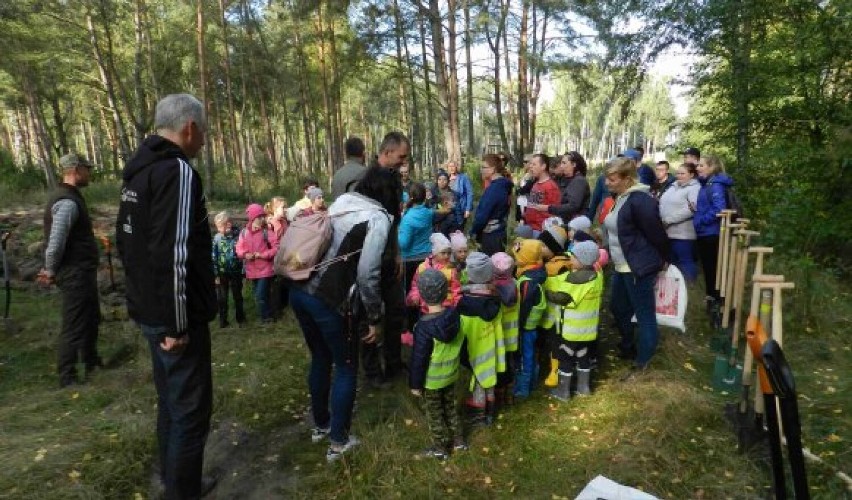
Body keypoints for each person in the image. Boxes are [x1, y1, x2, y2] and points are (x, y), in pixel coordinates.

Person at [116, 93, 218, 499]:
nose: (205, 141)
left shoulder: (138, 173)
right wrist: (176, 324)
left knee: (171, 404)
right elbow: (173, 252)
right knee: (191, 413)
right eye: (204, 132)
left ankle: (176, 480)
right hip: (176, 318)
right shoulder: (176, 171)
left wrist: (146, 308)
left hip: (149, 311)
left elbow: (130, 249)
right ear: (189, 128)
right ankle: (183, 491)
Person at [290, 165, 398, 462]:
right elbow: (368, 273)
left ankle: (321, 424)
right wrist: (375, 316)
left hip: (300, 290)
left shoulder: (342, 202)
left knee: (321, 357)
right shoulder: (378, 218)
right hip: (330, 300)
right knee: (347, 365)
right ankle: (339, 441)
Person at [38, 153, 102, 388]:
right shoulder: (66, 201)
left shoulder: (72, 197)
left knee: (91, 317)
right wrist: (50, 270)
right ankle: (67, 377)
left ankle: (91, 361)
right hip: (73, 272)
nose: (89, 173)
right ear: (76, 170)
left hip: (82, 271)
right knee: (74, 324)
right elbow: (56, 242)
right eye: (87, 168)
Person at [601, 157, 669, 378]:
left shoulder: (640, 200)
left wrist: (663, 259)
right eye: (607, 178)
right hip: (621, 266)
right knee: (618, 308)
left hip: (637, 267)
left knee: (644, 314)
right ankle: (628, 346)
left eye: (612, 179)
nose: (607, 183)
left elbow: (656, 233)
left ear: (627, 179)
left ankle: (643, 363)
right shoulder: (621, 197)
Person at [362, 131, 409, 387]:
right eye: (401, 156)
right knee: (369, 314)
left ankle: (393, 362)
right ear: (387, 152)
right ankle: (372, 371)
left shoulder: (393, 179)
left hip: (391, 256)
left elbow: (394, 222)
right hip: (369, 258)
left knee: (396, 310)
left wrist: (398, 252)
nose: (403, 161)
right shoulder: (369, 180)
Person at [408, 269, 464, 461]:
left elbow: (419, 359)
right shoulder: (455, 316)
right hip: (451, 374)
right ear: (446, 291)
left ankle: (440, 448)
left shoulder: (423, 328)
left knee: (435, 414)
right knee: (450, 407)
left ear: (421, 296)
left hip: (432, 382)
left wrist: (415, 385)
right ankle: (459, 441)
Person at [546, 241, 604, 400]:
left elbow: (562, 298)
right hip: (589, 329)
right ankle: (583, 388)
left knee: (566, 358)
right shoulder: (597, 276)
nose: (571, 260)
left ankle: (563, 392)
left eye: (574, 257)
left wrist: (546, 292)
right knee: (583, 356)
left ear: (582, 260)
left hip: (572, 331)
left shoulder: (576, 279)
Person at [457, 253, 501, 426]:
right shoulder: (495, 300)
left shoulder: (465, 304)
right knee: (488, 382)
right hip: (491, 352)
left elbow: (460, 332)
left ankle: (478, 418)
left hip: (472, 352)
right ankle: (490, 413)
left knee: (476, 385)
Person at [693, 154, 735, 308]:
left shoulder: (715, 185)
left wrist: (700, 220)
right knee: (708, 267)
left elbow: (719, 209)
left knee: (713, 268)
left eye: (701, 165)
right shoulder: (706, 184)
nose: (697, 168)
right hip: (705, 232)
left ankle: (716, 299)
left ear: (712, 167)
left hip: (712, 233)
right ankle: (712, 297)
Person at [512, 238, 547, 399]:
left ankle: (523, 389)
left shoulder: (528, 281)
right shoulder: (538, 272)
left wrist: (517, 325)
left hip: (525, 327)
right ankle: (532, 381)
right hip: (533, 327)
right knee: (531, 354)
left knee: (525, 357)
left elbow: (524, 307)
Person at [399, 182, 433, 332]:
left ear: (411, 197)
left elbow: (404, 244)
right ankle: (425, 321)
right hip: (426, 257)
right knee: (424, 291)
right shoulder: (428, 213)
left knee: (411, 294)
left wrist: (396, 234)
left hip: (410, 260)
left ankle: (412, 327)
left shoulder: (408, 219)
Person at [236, 204, 278, 323]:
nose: (261, 219)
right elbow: (239, 248)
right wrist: (245, 254)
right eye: (259, 217)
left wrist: (262, 255)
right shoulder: (244, 233)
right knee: (261, 295)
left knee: (260, 295)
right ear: (252, 218)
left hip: (266, 269)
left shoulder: (267, 232)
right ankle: (271, 314)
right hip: (251, 270)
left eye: (262, 217)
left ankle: (266, 318)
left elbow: (276, 248)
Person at [659, 163, 701, 282]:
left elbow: (692, 209)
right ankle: (674, 287)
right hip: (667, 231)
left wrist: (669, 220)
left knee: (685, 260)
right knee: (672, 261)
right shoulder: (672, 186)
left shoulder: (694, 188)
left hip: (684, 234)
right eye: (678, 173)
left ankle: (690, 285)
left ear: (692, 175)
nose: (679, 176)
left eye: (683, 173)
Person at [406, 233, 462, 312]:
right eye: (443, 253)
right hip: (425, 308)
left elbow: (456, 289)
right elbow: (416, 285)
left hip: (446, 307)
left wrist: (457, 305)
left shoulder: (451, 269)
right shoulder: (423, 267)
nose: (446, 256)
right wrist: (415, 296)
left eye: (449, 253)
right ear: (435, 253)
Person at [470, 153, 513, 256]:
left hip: (490, 236)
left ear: (493, 169)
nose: (481, 170)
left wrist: (473, 231)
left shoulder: (494, 189)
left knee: (491, 267)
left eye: (484, 167)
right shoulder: (503, 186)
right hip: (500, 231)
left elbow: (482, 216)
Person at [212, 211, 245, 328]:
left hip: (236, 271)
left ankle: (241, 318)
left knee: (237, 296)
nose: (219, 229)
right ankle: (223, 320)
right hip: (221, 273)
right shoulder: (217, 238)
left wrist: (243, 270)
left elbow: (242, 251)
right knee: (222, 298)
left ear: (229, 224)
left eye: (222, 226)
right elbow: (213, 256)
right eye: (218, 227)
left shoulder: (238, 235)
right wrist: (215, 274)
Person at [543, 151, 591, 222]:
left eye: (564, 163)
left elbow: (573, 206)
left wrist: (549, 208)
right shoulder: (563, 179)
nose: (561, 166)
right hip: (562, 220)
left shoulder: (579, 181)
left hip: (573, 224)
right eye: (561, 163)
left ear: (574, 164)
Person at [522, 154, 561, 235]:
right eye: (530, 164)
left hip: (540, 230)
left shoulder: (551, 186)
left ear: (543, 166)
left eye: (534, 164)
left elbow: (554, 211)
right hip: (529, 226)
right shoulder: (536, 184)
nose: (530, 167)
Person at [432, 170, 462, 235]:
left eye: (444, 180)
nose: (442, 182)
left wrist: (459, 225)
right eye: (439, 179)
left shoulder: (454, 194)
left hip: (450, 225)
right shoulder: (432, 193)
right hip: (435, 224)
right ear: (437, 181)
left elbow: (457, 210)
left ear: (448, 181)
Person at [446, 160, 474, 226]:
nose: (451, 168)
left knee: (460, 229)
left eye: (453, 166)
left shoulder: (463, 178)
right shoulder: (446, 179)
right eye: (449, 166)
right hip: (449, 210)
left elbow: (469, 193)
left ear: (456, 167)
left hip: (462, 208)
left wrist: (468, 209)